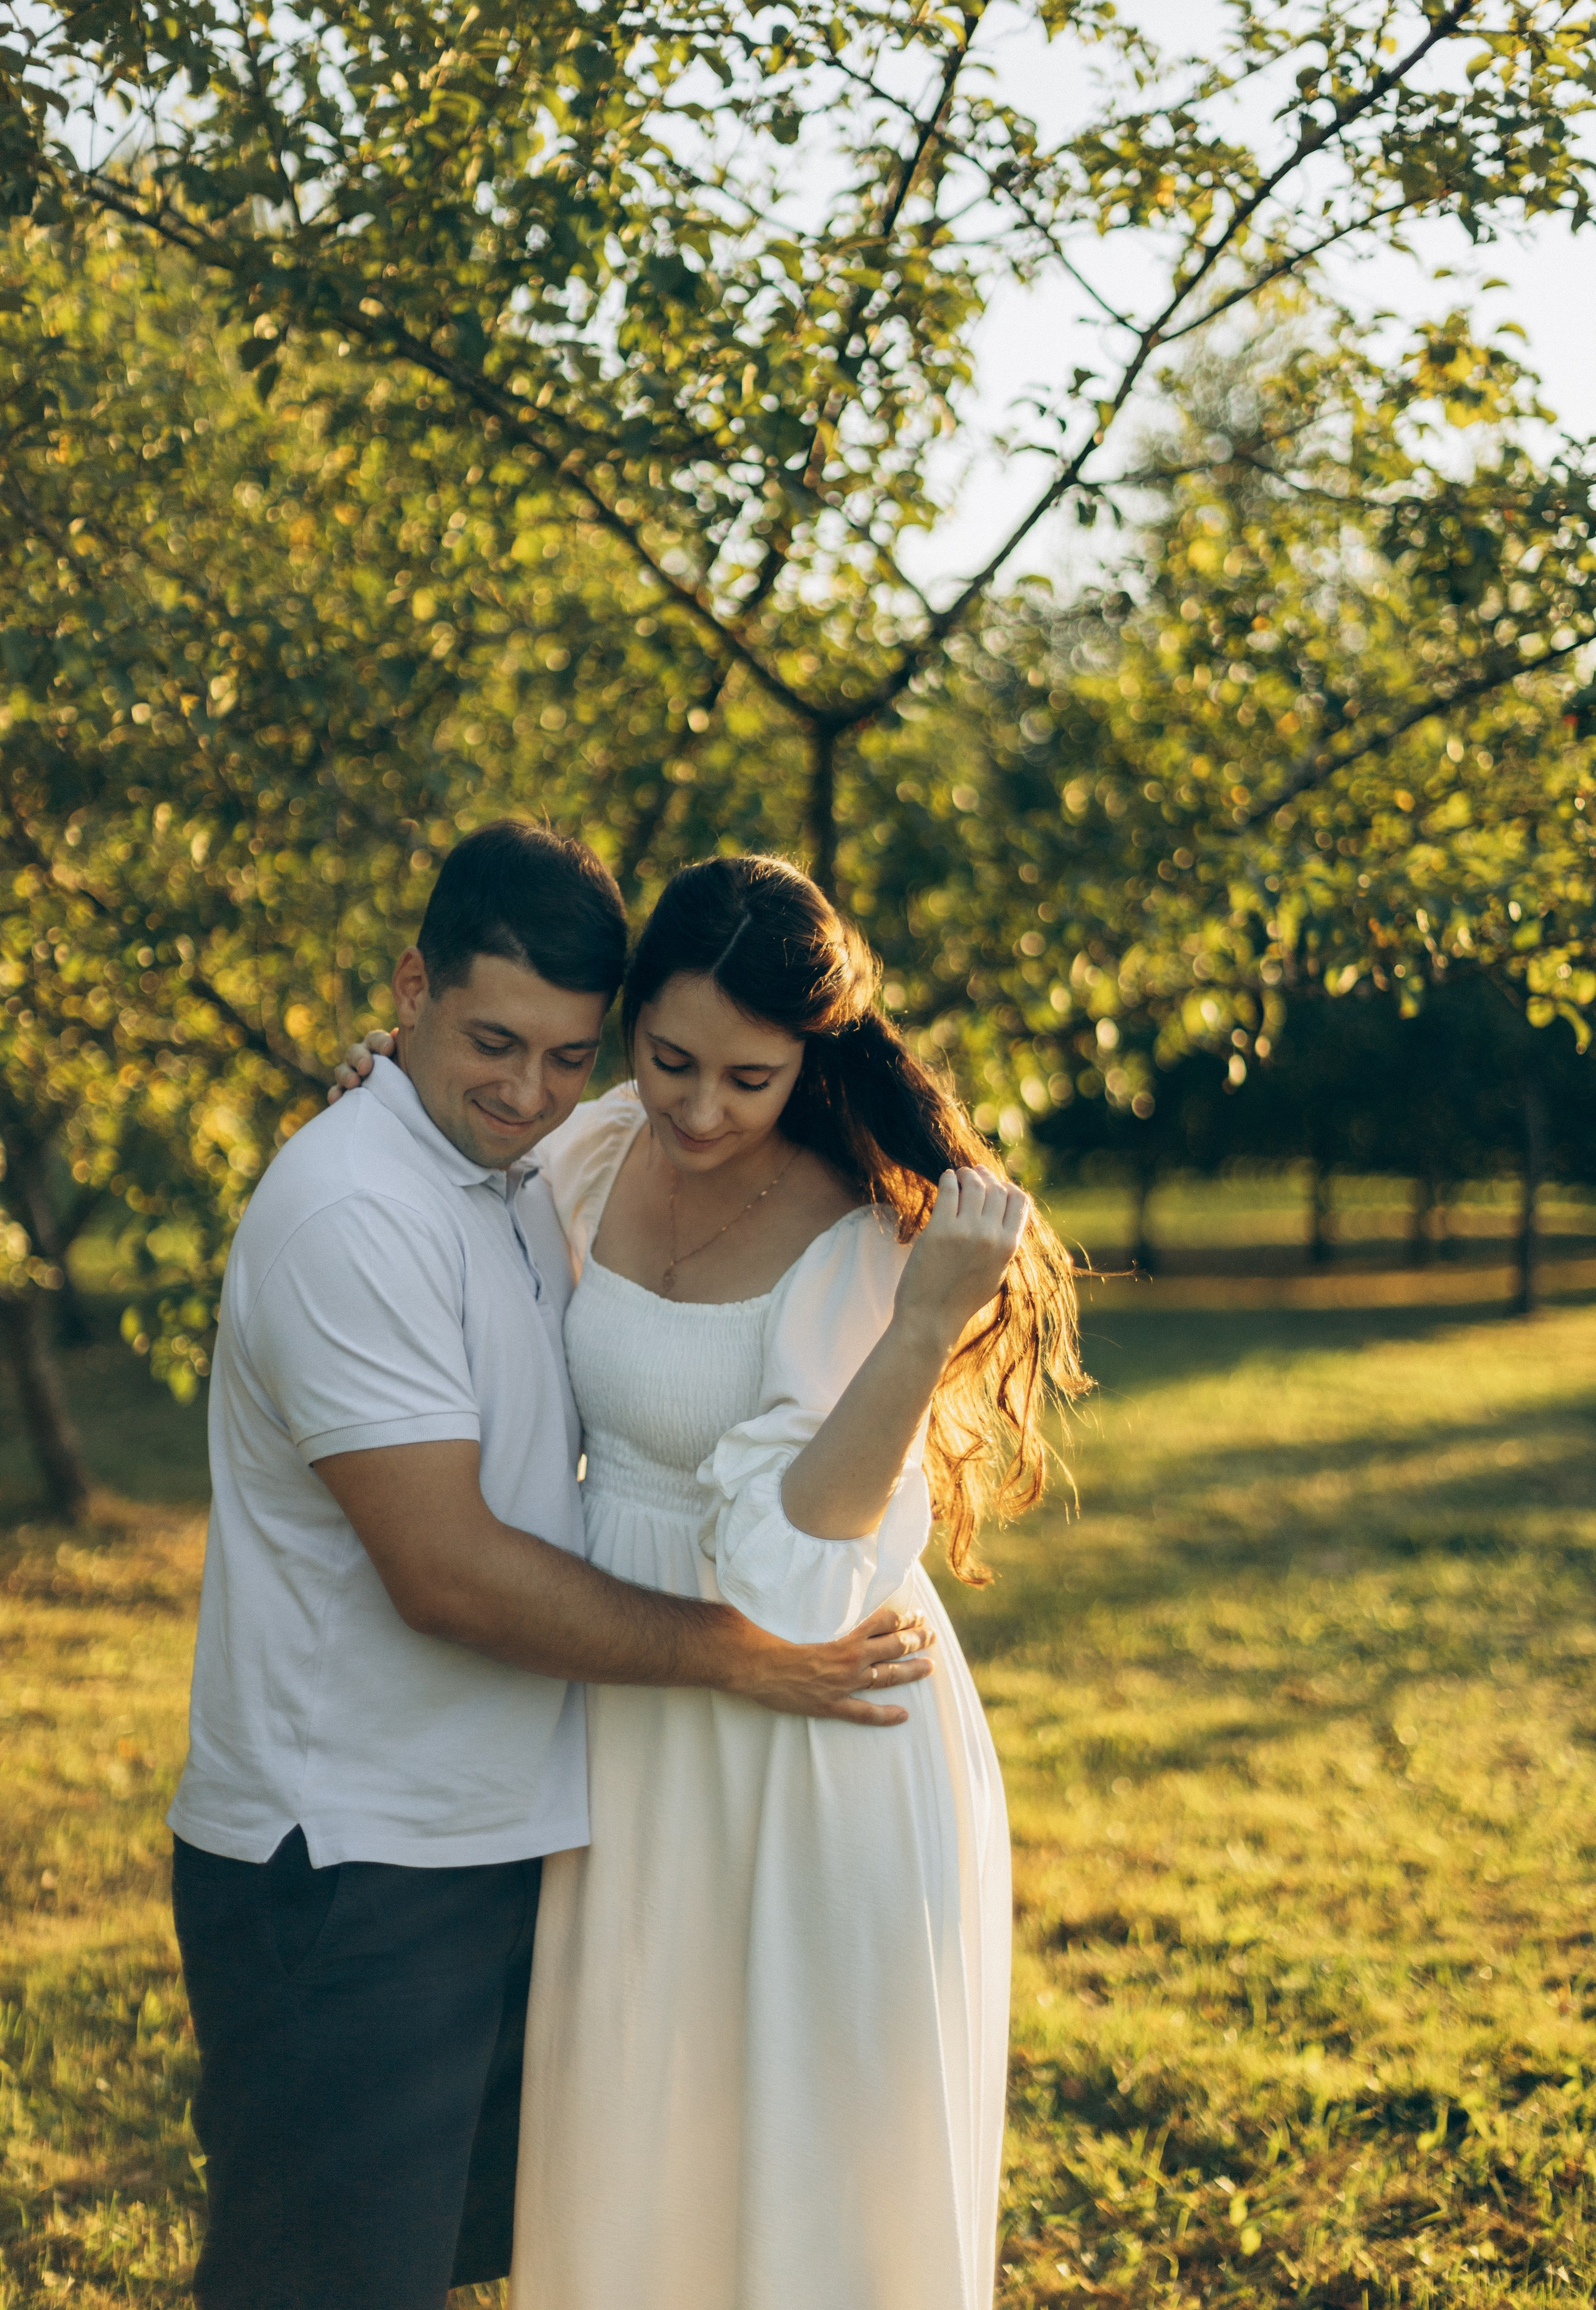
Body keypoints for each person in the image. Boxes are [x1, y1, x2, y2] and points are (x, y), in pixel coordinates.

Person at [168, 822, 936, 2310]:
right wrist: (737, 1655)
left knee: (534, 2248)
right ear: (411, 988)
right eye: (490, 1041)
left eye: (570, 1057)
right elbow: (445, 1571)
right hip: (345, 1853)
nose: (527, 1091)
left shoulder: (523, 1169)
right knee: (321, 2280)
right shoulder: (356, 1208)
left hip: (499, 1830)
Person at [336, 852, 1086, 2309]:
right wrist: (393, 1073)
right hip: (623, 1702)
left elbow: (798, 1578)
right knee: (632, 2134)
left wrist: (924, 1321)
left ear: (811, 1057)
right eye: (667, 1058)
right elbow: (454, 1194)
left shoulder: (862, 1235)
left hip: (815, 1725)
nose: (696, 1108)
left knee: (810, 2165)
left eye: (746, 1080)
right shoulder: (596, 1149)